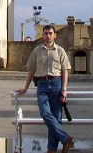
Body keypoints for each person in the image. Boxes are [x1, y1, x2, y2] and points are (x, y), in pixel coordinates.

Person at [16, 25, 74, 153]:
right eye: (46, 33)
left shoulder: (60, 51)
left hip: (56, 83)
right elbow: (32, 70)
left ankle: (51, 148)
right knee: (45, 113)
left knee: (56, 117)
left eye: (50, 33)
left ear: (55, 35)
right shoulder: (36, 51)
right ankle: (65, 138)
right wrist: (25, 88)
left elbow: (65, 71)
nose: (48, 36)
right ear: (42, 35)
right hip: (42, 84)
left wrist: (64, 90)